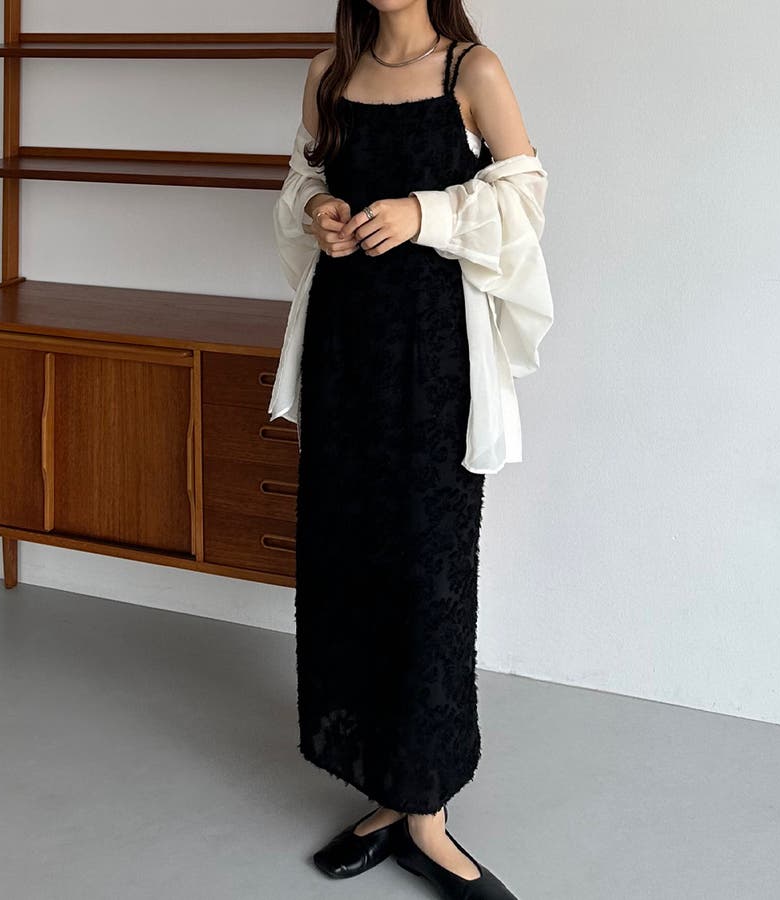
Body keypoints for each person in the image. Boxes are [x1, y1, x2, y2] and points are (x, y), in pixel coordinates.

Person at [270, 2, 553, 897]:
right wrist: (319, 210)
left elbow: (524, 202)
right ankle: (386, 792)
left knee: (430, 572)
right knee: (350, 561)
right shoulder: (328, 71)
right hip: (346, 353)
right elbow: (301, 180)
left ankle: (426, 812)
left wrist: (423, 213)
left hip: (435, 363)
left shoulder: (474, 71)